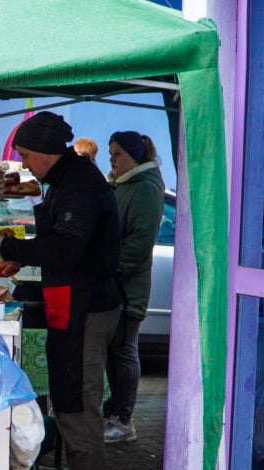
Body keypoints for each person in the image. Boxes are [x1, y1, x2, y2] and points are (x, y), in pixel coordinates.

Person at [0, 111, 121, 470]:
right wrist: (18, 256)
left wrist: (8, 244)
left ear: (44, 151)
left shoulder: (78, 185)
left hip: (87, 308)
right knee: (69, 399)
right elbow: (60, 246)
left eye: (24, 155)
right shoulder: (66, 179)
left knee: (78, 406)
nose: (23, 163)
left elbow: (67, 248)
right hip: (73, 303)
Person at [101, 131, 165, 444]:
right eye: (110, 154)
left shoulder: (145, 189)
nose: (111, 161)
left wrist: (104, 266)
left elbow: (139, 244)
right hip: (115, 285)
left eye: (117, 155)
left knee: (125, 352)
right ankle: (113, 413)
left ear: (134, 157)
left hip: (128, 289)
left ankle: (123, 419)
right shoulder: (124, 183)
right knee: (115, 354)